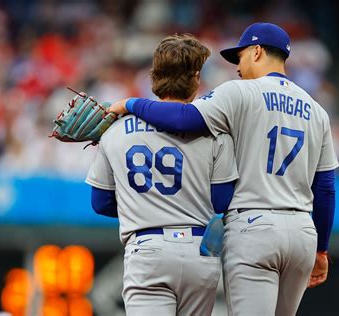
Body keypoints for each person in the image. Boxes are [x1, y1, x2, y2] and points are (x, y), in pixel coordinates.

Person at [108, 22, 339, 316]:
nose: (237, 67)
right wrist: (321, 249)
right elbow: (325, 187)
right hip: (302, 232)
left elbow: (183, 118)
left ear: (256, 52)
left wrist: (129, 103)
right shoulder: (316, 110)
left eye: (240, 57)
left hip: (255, 226)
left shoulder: (240, 93)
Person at [86, 34, 239, 315]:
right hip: (199, 251)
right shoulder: (214, 129)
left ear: (154, 77)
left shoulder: (115, 128)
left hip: (147, 249)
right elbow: (222, 202)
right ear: (195, 78)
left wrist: (145, 205)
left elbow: (100, 203)